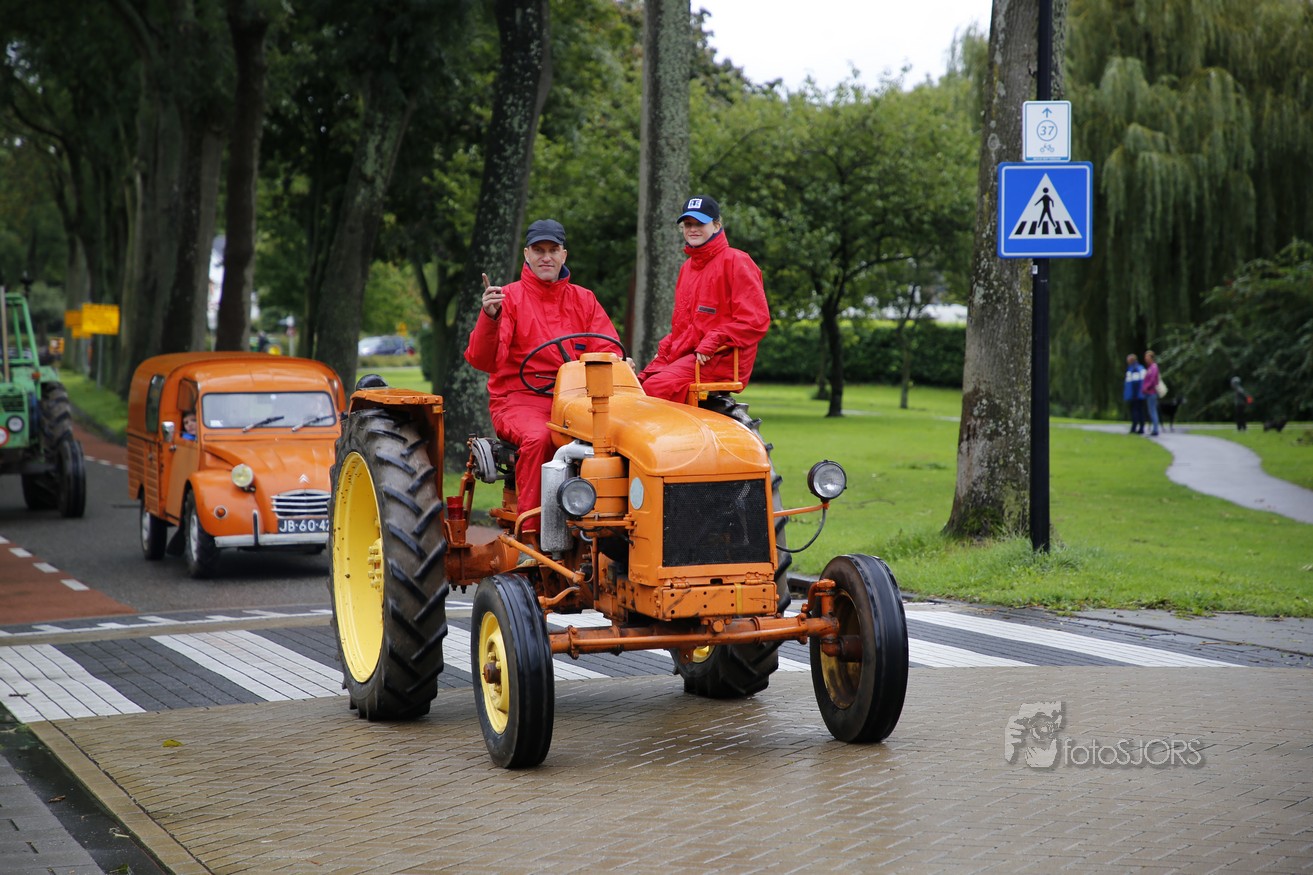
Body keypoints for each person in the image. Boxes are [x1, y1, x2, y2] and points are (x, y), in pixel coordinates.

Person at [464, 219, 621, 530]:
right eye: (539, 250)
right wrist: (490, 317)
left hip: (575, 402)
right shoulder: (508, 299)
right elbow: (484, 360)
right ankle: (534, 535)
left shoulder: (584, 299)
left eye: (553, 250)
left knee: (620, 436)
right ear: (527, 254)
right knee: (540, 438)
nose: (546, 257)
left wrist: (618, 361)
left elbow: (606, 348)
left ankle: (609, 527)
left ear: (564, 255)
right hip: (519, 400)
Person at [637, 195, 771, 404]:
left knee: (654, 387)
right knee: (632, 384)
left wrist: (715, 339)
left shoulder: (736, 261)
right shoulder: (687, 268)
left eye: (700, 223)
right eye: (688, 224)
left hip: (719, 358)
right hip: (689, 356)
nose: (693, 229)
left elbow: (756, 321)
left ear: (716, 225)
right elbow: (686, 325)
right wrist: (666, 348)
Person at [1123, 354, 1146, 434]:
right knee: (1140, 411)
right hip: (1139, 395)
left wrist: (1134, 395)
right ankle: (1140, 427)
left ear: (1131, 361)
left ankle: (1136, 427)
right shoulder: (1140, 368)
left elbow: (1135, 383)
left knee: (1135, 411)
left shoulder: (1134, 369)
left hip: (1135, 395)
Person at [1142, 350, 1162, 436]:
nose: (1146, 359)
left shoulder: (1154, 367)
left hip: (1151, 392)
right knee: (1151, 411)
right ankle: (1154, 428)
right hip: (1148, 392)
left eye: (1147, 357)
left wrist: (1147, 387)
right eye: (1145, 357)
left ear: (1151, 358)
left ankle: (1155, 430)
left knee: (1153, 410)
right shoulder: (1149, 368)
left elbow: (1153, 380)